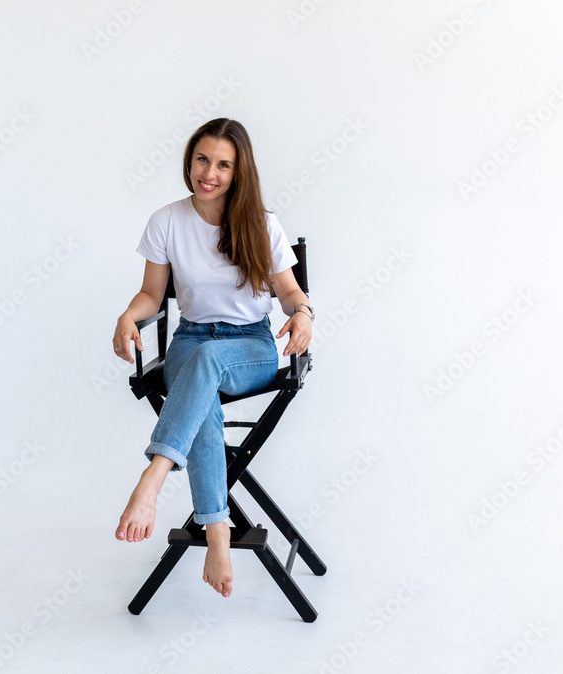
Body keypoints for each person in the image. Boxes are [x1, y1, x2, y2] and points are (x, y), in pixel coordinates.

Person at [112, 118, 314, 599]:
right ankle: (217, 532)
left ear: (238, 171)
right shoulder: (166, 220)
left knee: (204, 367)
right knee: (200, 388)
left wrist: (303, 314)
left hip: (251, 347)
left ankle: (153, 477)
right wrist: (126, 316)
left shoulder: (262, 224)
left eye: (223, 164)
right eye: (202, 159)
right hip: (191, 339)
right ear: (189, 160)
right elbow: (150, 294)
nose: (210, 172)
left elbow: (289, 291)